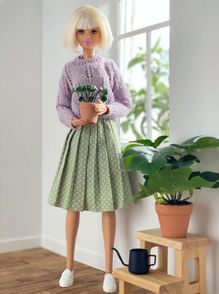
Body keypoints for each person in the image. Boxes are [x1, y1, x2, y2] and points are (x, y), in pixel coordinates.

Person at [47, 4, 136, 293]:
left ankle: (109, 271)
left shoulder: (109, 67)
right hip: (79, 137)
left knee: (107, 203)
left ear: (101, 33)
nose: (87, 36)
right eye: (82, 30)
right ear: (74, 33)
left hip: (105, 137)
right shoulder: (69, 69)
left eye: (93, 30)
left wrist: (106, 107)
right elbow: (61, 104)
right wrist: (71, 120)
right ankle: (69, 266)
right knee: (73, 203)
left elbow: (126, 102)